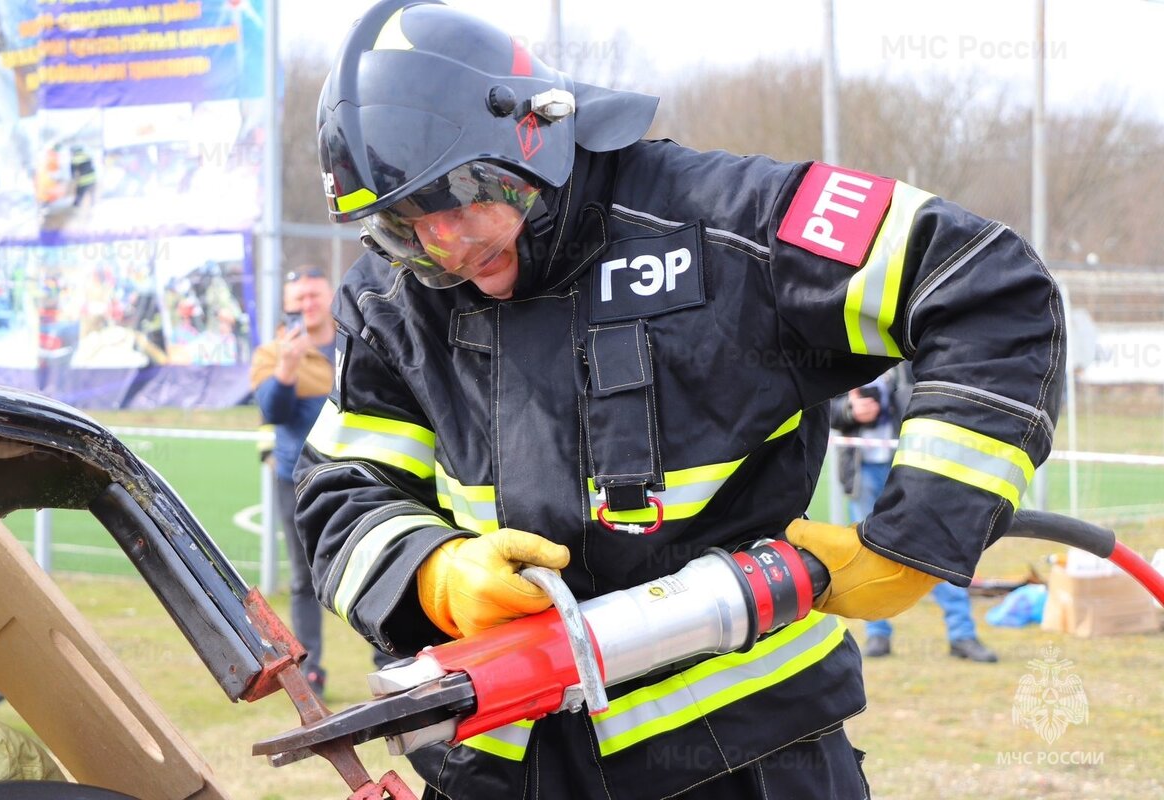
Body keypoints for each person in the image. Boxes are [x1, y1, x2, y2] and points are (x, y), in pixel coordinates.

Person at [296, 4, 1064, 797]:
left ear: (535, 136)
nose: (448, 247)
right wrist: (434, 574)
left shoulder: (724, 222)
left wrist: (912, 537)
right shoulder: (394, 302)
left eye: (463, 200)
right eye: (402, 226)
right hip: (497, 767)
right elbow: (342, 489)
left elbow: (983, 286)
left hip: (744, 760)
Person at [831, 364, 998, 663]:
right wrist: (849, 410)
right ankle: (877, 635)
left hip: (912, 468)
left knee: (938, 546)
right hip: (862, 474)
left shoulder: (914, 360)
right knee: (868, 555)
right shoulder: (844, 358)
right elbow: (823, 411)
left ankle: (962, 635)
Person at [249, 267, 336, 696]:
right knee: (305, 580)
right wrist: (287, 366)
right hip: (297, 477)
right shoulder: (272, 351)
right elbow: (272, 411)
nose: (307, 304)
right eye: (299, 298)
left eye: (314, 295)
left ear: (330, 294)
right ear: (288, 303)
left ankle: (391, 662)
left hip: (358, 472)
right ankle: (312, 671)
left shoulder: (356, 337)